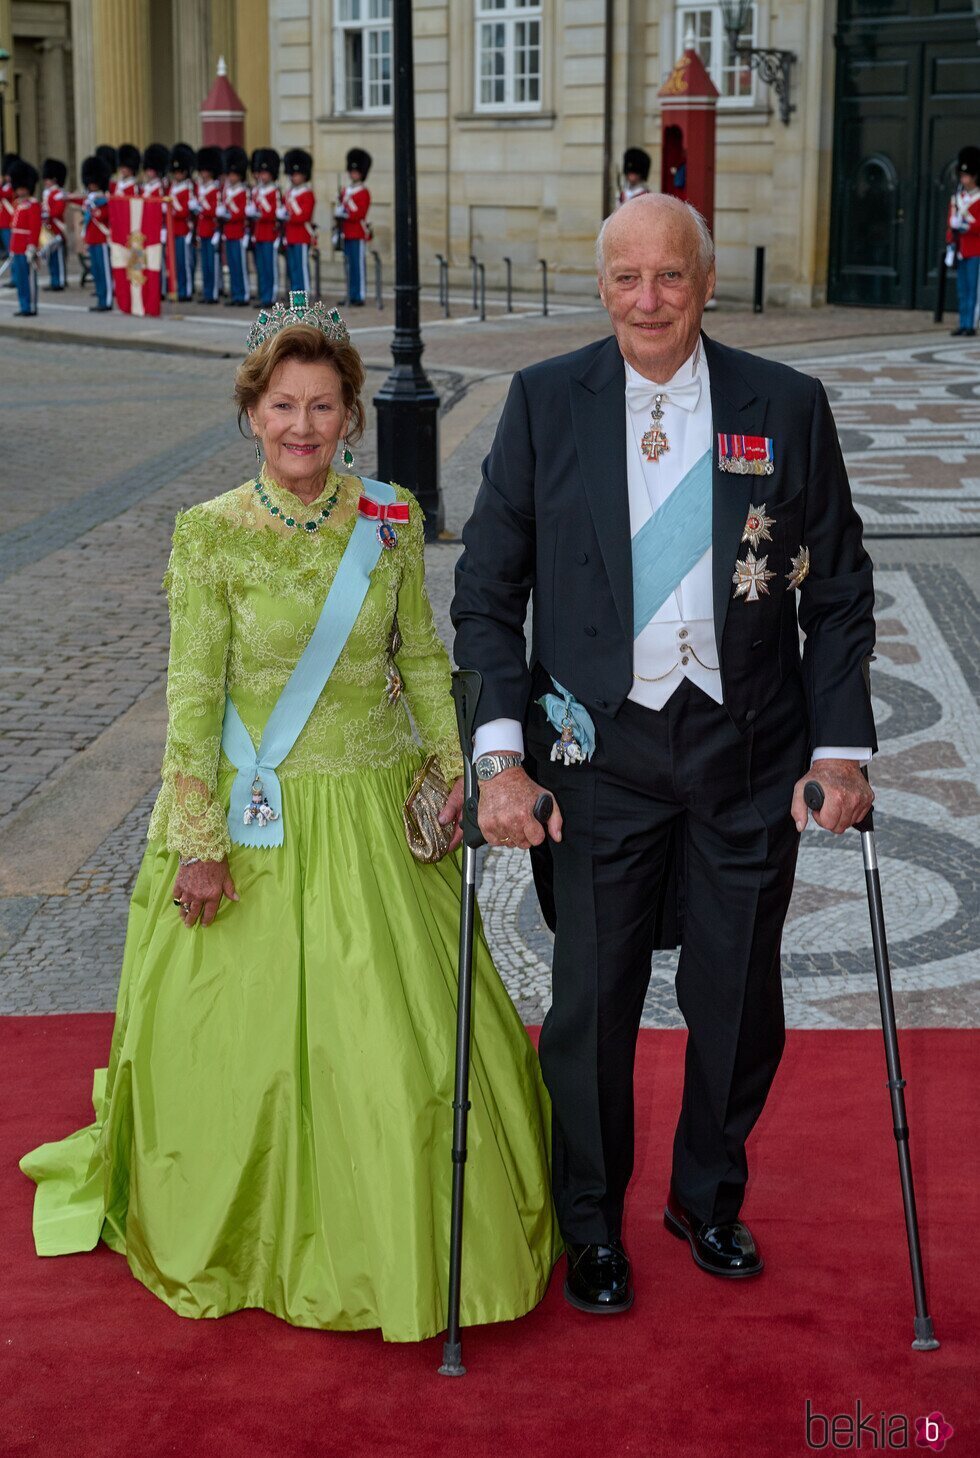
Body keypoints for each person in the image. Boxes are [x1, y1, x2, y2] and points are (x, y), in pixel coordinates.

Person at [19, 289, 560, 1341]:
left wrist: (453, 771)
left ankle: (400, 1237)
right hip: (253, 821)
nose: (302, 427)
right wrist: (197, 841)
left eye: (321, 407)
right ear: (251, 413)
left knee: (399, 1056)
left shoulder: (390, 520)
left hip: (369, 814)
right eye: (282, 407)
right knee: (240, 1057)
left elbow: (414, 653)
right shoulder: (207, 535)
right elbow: (190, 698)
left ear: (349, 414)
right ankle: (251, 1232)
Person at [451, 193, 876, 1315]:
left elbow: (833, 592)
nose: (648, 300)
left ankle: (706, 1193)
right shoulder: (544, 403)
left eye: (670, 278)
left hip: (747, 748)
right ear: (600, 287)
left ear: (705, 283)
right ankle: (589, 1222)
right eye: (626, 279)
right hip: (597, 756)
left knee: (738, 995)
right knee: (593, 1000)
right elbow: (488, 596)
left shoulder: (783, 403)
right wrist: (500, 759)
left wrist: (838, 751)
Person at [947, 145, 980, 338]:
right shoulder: (957, 199)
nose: (964, 179)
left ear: (975, 176)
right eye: (962, 176)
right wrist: (950, 242)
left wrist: (968, 226)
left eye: (967, 176)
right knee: (962, 289)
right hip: (961, 248)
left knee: (972, 291)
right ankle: (962, 322)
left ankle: (970, 324)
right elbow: (950, 224)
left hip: (976, 249)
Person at [335, 147, 372, 307]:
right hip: (346, 232)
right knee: (348, 265)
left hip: (357, 232)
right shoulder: (346, 191)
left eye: (357, 171)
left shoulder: (363, 192)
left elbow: (359, 213)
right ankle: (350, 293)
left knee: (358, 266)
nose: (354, 174)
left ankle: (359, 295)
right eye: (352, 171)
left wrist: (347, 204)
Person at [79, 155, 113, 312]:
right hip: (93, 239)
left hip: (102, 239)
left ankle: (106, 301)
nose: (92, 185)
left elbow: (105, 216)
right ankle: (100, 298)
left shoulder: (104, 199)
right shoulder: (89, 200)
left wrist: (94, 211)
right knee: (97, 272)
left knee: (104, 271)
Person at [8, 160, 41, 317]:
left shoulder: (33, 205)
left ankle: (31, 307)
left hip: (27, 246)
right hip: (17, 246)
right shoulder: (18, 203)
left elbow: (35, 227)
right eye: (18, 188)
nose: (20, 191)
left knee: (29, 280)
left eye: (22, 188)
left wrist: (32, 246)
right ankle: (23, 305)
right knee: (21, 280)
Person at [250, 147, 281, 306]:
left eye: (265, 172)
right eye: (260, 172)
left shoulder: (274, 191)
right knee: (260, 268)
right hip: (259, 233)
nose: (262, 176)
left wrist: (260, 208)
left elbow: (272, 213)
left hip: (270, 233)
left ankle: (271, 297)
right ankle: (263, 295)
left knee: (270, 268)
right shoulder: (257, 191)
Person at [219, 146, 250, 306]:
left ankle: (243, 295)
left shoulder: (242, 191)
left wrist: (228, 212)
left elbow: (241, 213)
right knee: (231, 266)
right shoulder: (227, 191)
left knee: (240, 266)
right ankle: (235, 293)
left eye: (233, 174)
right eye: (229, 174)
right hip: (229, 232)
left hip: (238, 233)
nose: (230, 177)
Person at [281, 148, 315, 295]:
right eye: (292, 174)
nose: (294, 177)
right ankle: (296, 298)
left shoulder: (307, 194)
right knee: (293, 269)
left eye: (297, 174)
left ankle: (304, 298)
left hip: (301, 235)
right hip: (290, 235)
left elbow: (304, 216)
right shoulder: (288, 194)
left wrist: (288, 215)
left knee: (301, 268)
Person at [168, 143, 197, 302]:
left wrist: (173, 210)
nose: (177, 175)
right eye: (175, 172)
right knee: (177, 263)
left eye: (180, 172)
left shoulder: (188, 188)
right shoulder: (172, 188)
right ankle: (179, 288)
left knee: (186, 263)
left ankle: (187, 290)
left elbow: (184, 211)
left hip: (184, 230)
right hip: (174, 230)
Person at [195, 146, 223, 305]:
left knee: (212, 265)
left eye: (206, 170)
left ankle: (212, 294)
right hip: (202, 231)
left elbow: (215, 210)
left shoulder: (215, 189)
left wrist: (202, 208)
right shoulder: (200, 189)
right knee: (204, 266)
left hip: (212, 231)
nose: (203, 173)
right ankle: (206, 292)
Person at [41, 158, 68, 292]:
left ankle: (60, 281)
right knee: (51, 258)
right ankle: (54, 280)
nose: (46, 181)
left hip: (57, 228)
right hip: (48, 228)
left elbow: (58, 210)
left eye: (48, 179)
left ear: (54, 179)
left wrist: (47, 214)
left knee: (58, 257)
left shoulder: (58, 193)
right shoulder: (47, 193)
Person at [2, 153, 21, 268]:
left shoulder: (11, 187)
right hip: (4, 222)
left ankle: (15, 276)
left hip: (10, 221)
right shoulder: (7, 186)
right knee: (10, 251)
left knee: (12, 251)